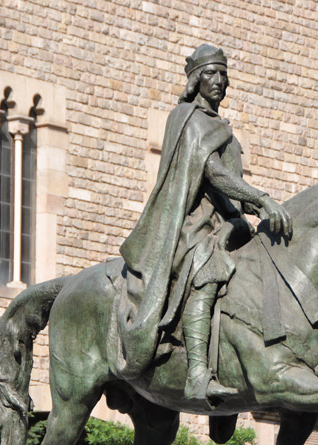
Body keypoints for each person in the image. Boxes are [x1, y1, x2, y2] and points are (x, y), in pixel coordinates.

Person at [117, 44, 292, 401]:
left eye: (224, 74)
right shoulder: (187, 119)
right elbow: (211, 173)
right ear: (196, 79)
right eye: (211, 74)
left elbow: (235, 188)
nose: (220, 81)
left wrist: (260, 209)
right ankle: (198, 374)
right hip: (193, 226)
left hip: (228, 223)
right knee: (207, 271)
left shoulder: (224, 130)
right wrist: (262, 199)